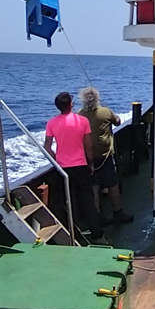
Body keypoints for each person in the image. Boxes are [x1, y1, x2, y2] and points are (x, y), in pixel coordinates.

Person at [43, 92, 105, 243]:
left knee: (67, 202)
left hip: (63, 169)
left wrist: (57, 160)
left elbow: (47, 147)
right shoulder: (82, 121)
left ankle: (71, 234)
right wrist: (90, 163)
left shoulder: (51, 123)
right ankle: (98, 235)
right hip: (81, 167)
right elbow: (88, 145)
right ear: (71, 104)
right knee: (87, 202)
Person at [79, 86, 134, 224]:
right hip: (105, 156)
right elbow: (118, 121)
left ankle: (98, 217)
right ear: (97, 99)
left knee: (94, 187)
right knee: (112, 184)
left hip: (88, 157)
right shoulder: (105, 111)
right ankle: (118, 213)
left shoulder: (79, 115)